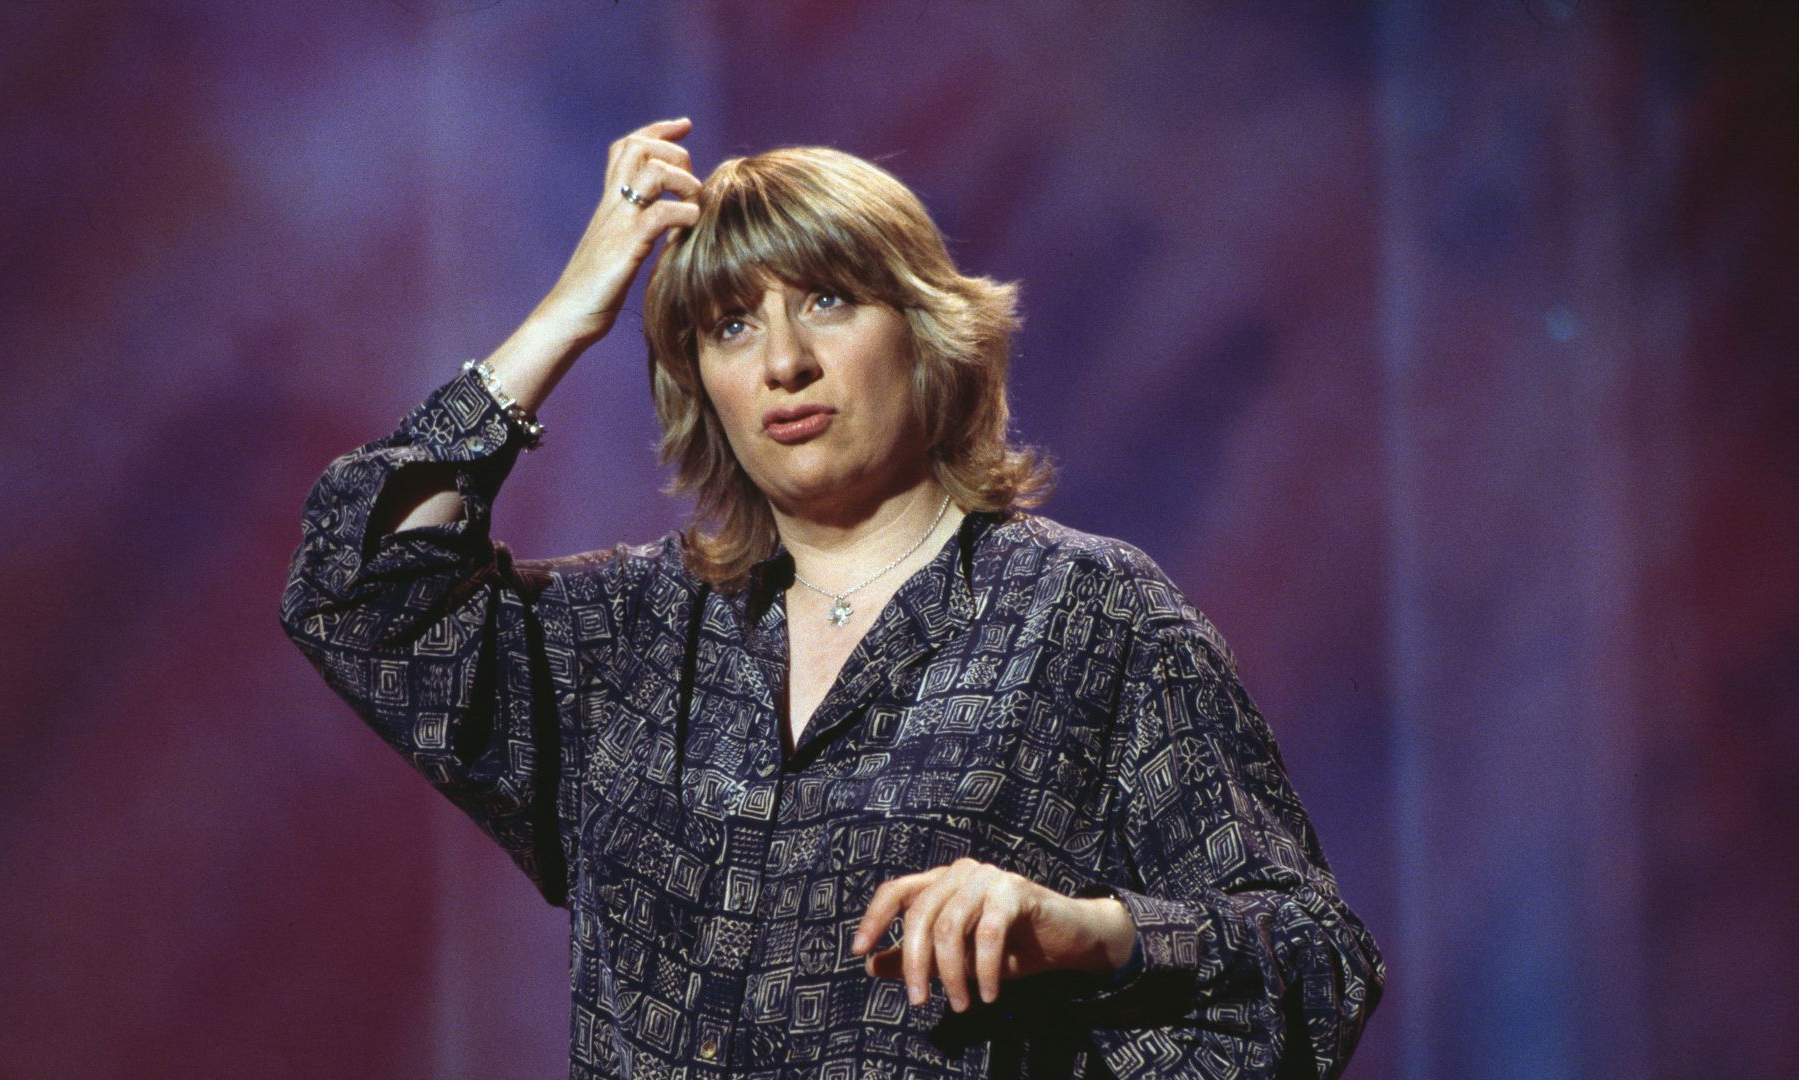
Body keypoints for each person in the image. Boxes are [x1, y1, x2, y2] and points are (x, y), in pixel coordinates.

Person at [281, 118, 1383, 1078]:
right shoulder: (632, 634)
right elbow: (362, 588)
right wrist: (572, 312)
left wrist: (1082, 931)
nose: (785, 362)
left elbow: (1314, 961)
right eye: (730, 326)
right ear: (699, 383)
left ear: (925, 332)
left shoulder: (1089, 614)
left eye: (827, 300)